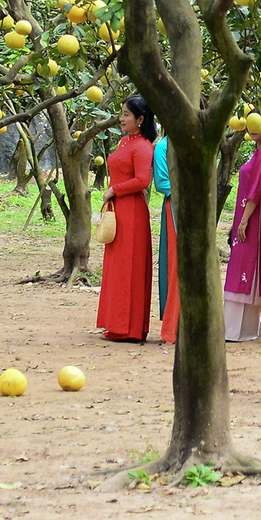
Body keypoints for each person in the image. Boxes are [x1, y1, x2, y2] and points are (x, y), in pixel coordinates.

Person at [95, 100, 156, 343]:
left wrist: (115, 190)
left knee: (129, 267)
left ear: (140, 119)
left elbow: (142, 180)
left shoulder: (142, 147)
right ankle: (115, 323)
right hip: (118, 210)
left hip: (132, 212)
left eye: (127, 114)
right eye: (122, 114)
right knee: (117, 267)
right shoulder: (124, 142)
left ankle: (130, 328)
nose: (122, 118)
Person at [223, 109, 261, 343]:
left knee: (247, 265)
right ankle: (243, 327)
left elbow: (256, 190)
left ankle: (244, 329)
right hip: (246, 217)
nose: (254, 127)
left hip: (255, 218)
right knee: (241, 265)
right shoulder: (257, 153)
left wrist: (245, 219)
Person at [152, 124, 180, 344]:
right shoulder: (163, 147)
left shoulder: (198, 142)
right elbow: (162, 183)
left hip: (196, 209)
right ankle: (174, 327)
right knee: (176, 265)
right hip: (176, 209)